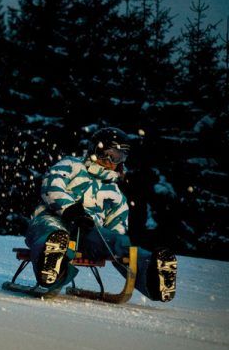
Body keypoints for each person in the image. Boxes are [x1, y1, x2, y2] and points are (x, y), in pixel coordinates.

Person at [25, 127, 177, 301]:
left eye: (120, 157)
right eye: (112, 154)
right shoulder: (72, 165)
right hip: (54, 219)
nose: (113, 161)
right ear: (98, 150)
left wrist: (109, 239)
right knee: (51, 231)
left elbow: (117, 226)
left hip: (88, 231)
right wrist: (71, 210)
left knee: (119, 242)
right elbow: (51, 186)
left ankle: (152, 274)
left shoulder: (114, 192)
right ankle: (52, 263)